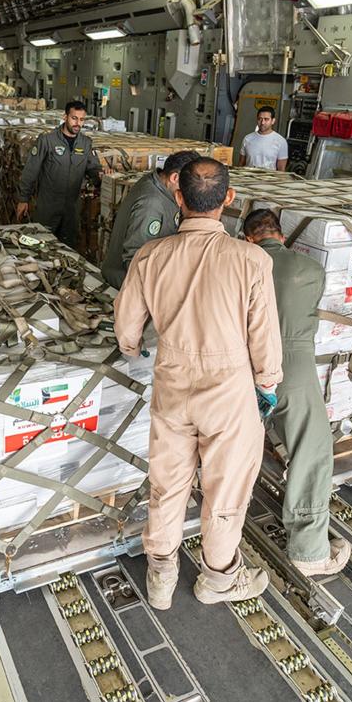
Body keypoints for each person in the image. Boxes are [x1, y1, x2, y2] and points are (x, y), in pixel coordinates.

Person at [115, 158, 283, 608]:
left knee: (167, 482)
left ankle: (161, 576)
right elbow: (264, 336)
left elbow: (127, 329)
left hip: (172, 384)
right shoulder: (252, 260)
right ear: (229, 200)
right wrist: (266, 386)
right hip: (230, 392)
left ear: (178, 198)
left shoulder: (152, 256)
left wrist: (134, 350)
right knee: (225, 488)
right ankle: (218, 579)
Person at [242, 209, 351, 576]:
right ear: (282, 236)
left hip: (241, 365)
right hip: (295, 367)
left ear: (248, 238)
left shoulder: (239, 263)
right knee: (313, 451)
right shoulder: (310, 269)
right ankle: (309, 552)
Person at [100, 149, 201, 288]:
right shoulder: (151, 204)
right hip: (127, 282)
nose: (192, 191)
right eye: (191, 184)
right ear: (175, 178)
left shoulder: (158, 183)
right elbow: (134, 257)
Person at [15, 101, 102, 248]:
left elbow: (93, 168)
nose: (78, 123)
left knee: (68, 249)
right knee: (41, 246)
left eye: (81, 120)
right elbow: (31, 170)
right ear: (65, 117)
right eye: (74, 118)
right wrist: (23, 198)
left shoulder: (86, 143)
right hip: (48, 207)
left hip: (71, 210)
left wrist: (102, 177)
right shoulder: (47, 140)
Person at [239, 105, 290, 171]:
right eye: (260, 119)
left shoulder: (280, 141)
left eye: (266, 119)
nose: (262, 122)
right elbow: (241, 164)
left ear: (273, 121)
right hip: (248, 178)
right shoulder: (247, 138)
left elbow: (281, 169)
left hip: (268, 180)